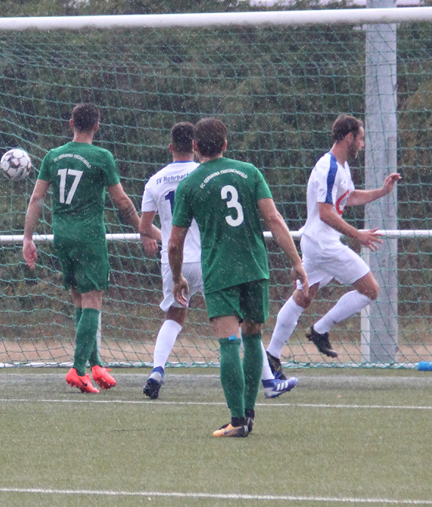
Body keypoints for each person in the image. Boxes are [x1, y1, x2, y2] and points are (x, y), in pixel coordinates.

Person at [169, 118, 308, 437]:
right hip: (255, 267)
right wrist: (296, 261)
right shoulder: (250, 172)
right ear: (226, 145)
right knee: (252, 336)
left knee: (229, 341)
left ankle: (237, 420)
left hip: (221, 269)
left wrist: (177, 277)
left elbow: (175, 242)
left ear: (194, 147)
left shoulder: (190, 185)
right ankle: (248, 413)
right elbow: (273, 219)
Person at [139, 122, 297, 400]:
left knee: (174, 317)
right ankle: (265, 385)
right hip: (211, 257)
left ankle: (157, 370)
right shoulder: (203, 174)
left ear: (171, 147)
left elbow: (145, 228)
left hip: (174, 260)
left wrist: (169, 241)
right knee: (239, 324)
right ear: (196, 145)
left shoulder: (155, 181)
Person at [23, 103, 154, 393]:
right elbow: (122, 202)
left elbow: (36, 199)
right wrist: (145, 229)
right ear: (97, 125)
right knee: (94, 299)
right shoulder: (101, 157)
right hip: (89, 235)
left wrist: (27, 238)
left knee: (80, 301)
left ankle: (95, 365)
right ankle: (78, 369)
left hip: (62, 235)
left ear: (71, 123)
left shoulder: (53, 155)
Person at [265, 115, 400, 377]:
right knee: (371, 290)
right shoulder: (328, 167)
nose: (362, 144)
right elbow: (326, 212)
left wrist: (382, 192)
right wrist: (357, 235)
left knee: (303, 297)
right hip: (323, 244)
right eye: (360, 139)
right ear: (349, 137)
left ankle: (271, 355)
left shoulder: (342, 167)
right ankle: (320, 329)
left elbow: (347, 198)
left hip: (318, 242)